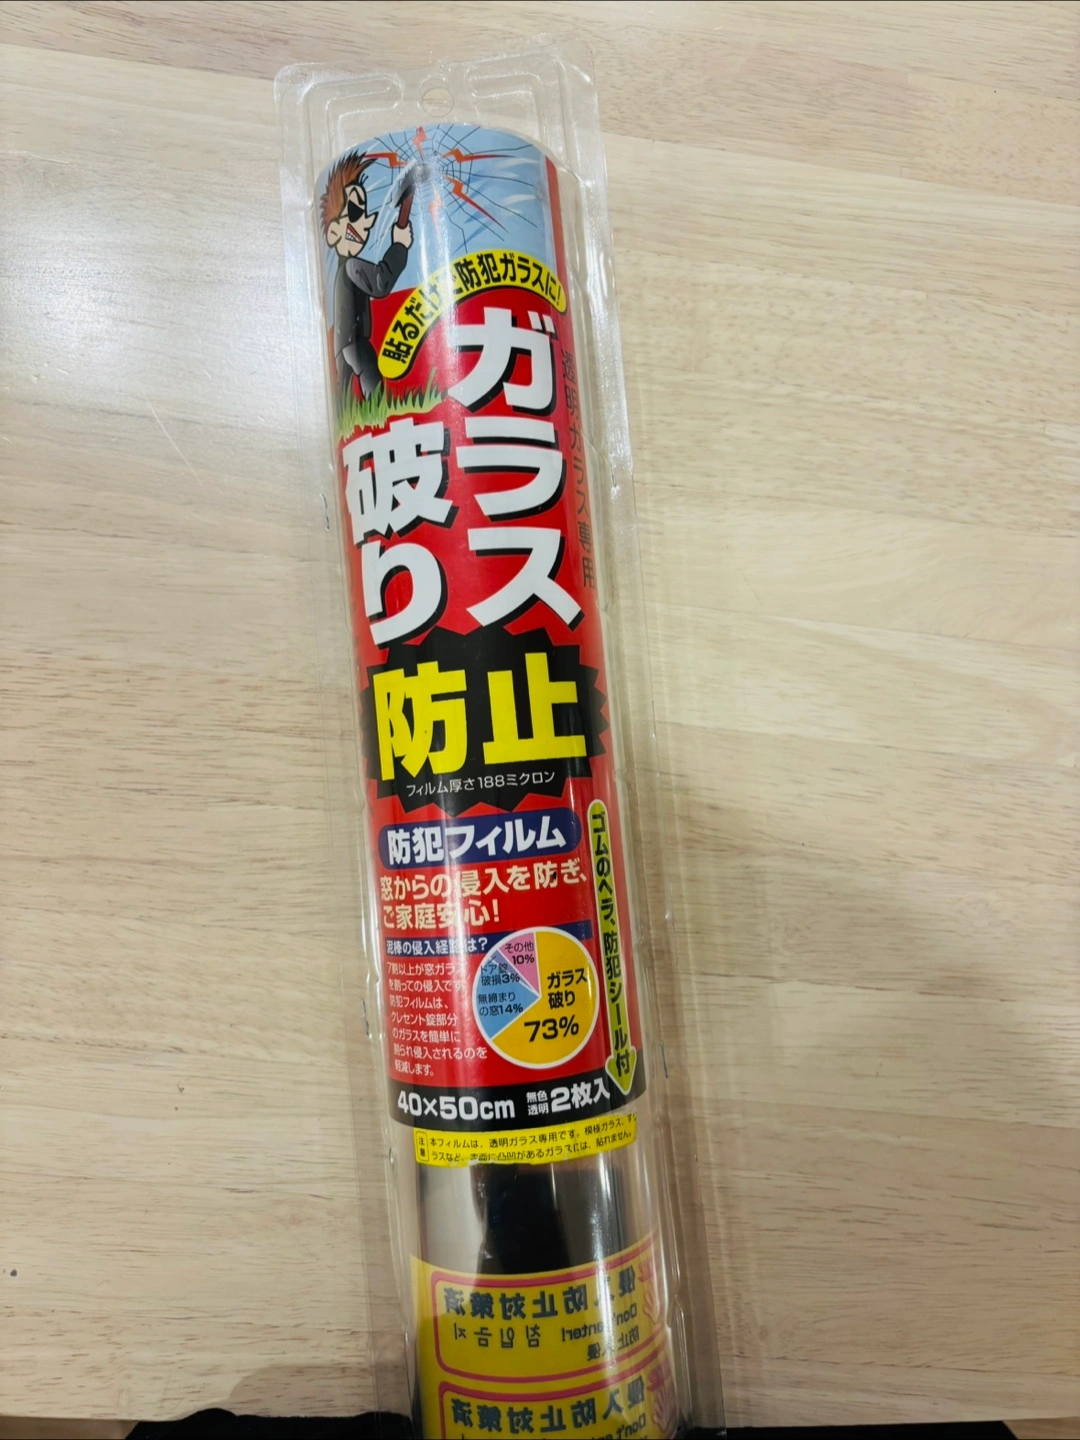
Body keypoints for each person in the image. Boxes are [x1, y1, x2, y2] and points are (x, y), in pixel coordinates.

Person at [320, 150, 413, 411]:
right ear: (334, 232)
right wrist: (399, 245)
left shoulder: (346, 268)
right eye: (355, 212)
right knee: (370, 378)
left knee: (345, 403)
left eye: (365, 213)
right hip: (354, 342)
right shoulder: (351, 267)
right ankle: (380, 417)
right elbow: (381, 282)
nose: (367, 223)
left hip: (342, 347)